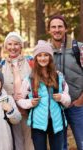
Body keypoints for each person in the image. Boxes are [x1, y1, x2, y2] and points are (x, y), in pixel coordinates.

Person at [16, 40, 71, 150]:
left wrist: (62, 97)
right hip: (38, 123)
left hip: (56, 122)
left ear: (50, 57)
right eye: (39, 55)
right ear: (36, 58)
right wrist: (29, 103)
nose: (43, 58)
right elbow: (20, 99)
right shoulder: (30, 79)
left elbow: (68, 98)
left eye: (46, 55)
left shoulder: (58, 76)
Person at [48, 15, 83, 150]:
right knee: (59, 146)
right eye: (53, 27)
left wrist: (81, 99)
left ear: (66, 29)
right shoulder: (45, 51)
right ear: (49, 30)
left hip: (77, 105)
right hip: (56, 107)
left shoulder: (79, 48)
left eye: (60, 26)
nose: (57, 30)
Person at [0, 32, 34, 150]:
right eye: (10, 44)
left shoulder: (31, 62)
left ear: (21, 47)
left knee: (30, 143)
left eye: (16, 44)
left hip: (30, 110)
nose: (13, 47)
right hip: (10, 111)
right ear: (6, 47)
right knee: (16, 143)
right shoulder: (0, 66)